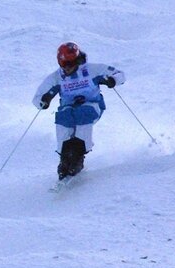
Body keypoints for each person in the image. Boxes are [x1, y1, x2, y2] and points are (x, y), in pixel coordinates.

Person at [32, 42, 125, 180]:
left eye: (71, 63)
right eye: (64, 64)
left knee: (83, 113)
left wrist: (112, 80)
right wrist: (43, 101)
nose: (67, 68)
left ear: (77, 60)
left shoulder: (92, 70)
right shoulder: (57, 77)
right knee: (64, 117)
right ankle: (64, 159)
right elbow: (37, 98)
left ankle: (78, 156)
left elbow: (119, 74)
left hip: (92, 106)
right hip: (68, 108)